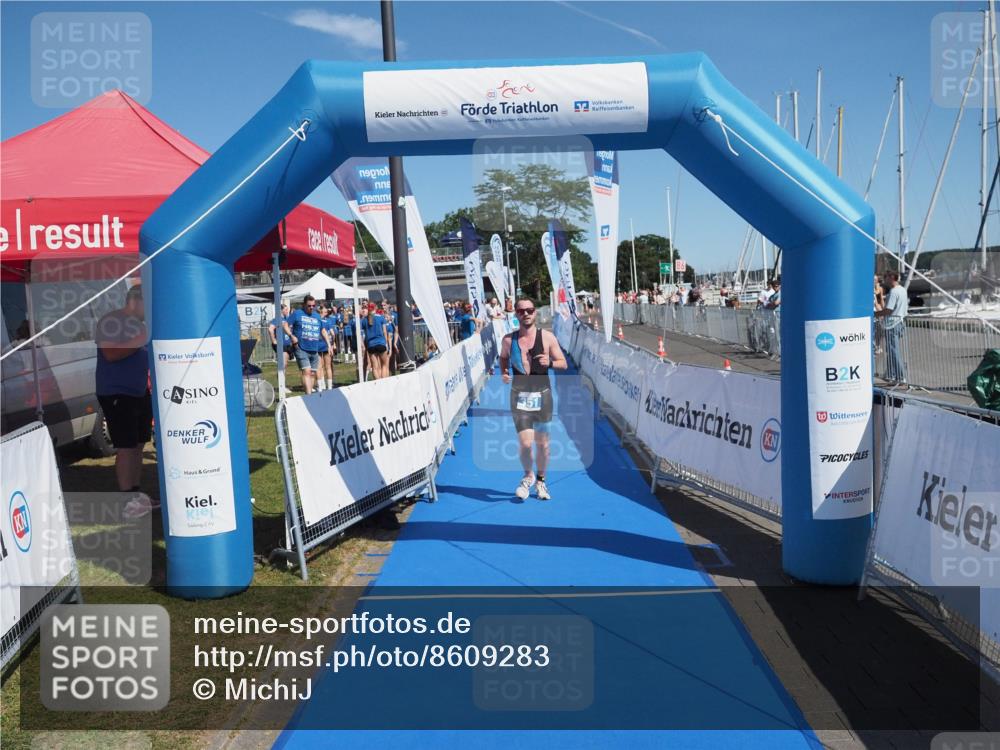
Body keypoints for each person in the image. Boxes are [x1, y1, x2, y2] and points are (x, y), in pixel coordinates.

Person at [95, 284, 155, 518]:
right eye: (146, 305)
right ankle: (126, 499)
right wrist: (140, 340)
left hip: (139, 391)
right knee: (126, 446)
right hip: (117, 392)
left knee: (139, 444)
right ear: (134, 301)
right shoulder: (112, 321)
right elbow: (110, 353)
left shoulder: (140, 326)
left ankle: (136, 494)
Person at [499, 298, 568, 501]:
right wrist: (504, 372)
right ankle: (528, 476)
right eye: (521, 311)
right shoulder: (508, 340)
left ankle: (541, 480)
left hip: (543, 396)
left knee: (543, 445)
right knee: (525, 444)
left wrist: (551, 363)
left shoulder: (547, 337)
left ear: (535, 312)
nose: (526, 314)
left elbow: (563, 363)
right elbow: (503, 357)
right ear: (516, 315)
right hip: (519, 396)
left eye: (529, 310)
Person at [285, 295, 327, 394]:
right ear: (304, 304)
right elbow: (285, 325)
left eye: (313, 305)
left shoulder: (317, 316)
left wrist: (329, 344)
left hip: (314, 349)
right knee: (306, 371)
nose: (311, 307)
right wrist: (291, 336)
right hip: (301, 347)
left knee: (312, 373)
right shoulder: (297, 314)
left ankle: (309, 395)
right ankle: (309, 396)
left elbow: (323, 330)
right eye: (309, 306)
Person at [876, 271, 908, 385]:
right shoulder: (902, 290)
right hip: (900, 322)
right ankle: (892, 375)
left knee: (894, 351)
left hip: (892, 324)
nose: (884, 280)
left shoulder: (893, 292)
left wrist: (874, 314)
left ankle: (900, 377)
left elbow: (888, 310)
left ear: (891, 278)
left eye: (885, 278)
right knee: (892, 350)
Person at [360, 303, 390, 379]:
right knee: (384, 365)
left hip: (370, 345)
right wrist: (386, 343)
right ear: (375, 308)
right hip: (381, 343)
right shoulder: (381, 317)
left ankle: (378, 383)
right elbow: (384, 332)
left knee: (374, 367)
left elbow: (362, 333)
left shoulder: (364, 320)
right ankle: (384, 382)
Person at [268, 303, 292, 371]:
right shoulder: (277, 319)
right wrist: (274, 341)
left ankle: (283, 380)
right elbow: (270, 329)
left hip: (288, 345)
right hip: (281, 345)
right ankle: (281, 380)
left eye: (288, 309)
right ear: (281, 310)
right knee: (282, 365)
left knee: (285, 365)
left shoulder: (287, 319)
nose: (287, 311)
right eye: (286, 309)